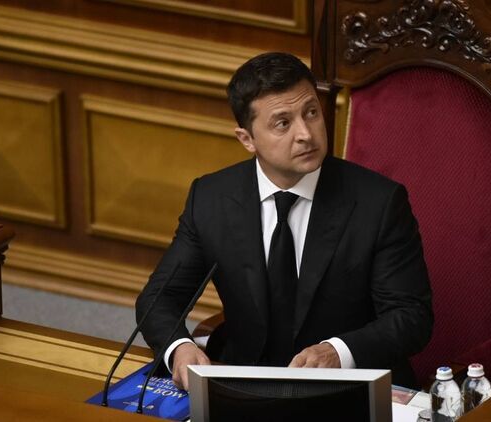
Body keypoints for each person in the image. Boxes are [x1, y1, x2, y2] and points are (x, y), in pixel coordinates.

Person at [136, 52, 432, 390]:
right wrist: (179, 348)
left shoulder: (378, 202)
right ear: (247, 139)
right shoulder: (211, 198)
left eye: (311, 113)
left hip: (348, 389)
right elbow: (159, 299)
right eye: (282, 123)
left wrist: (338, 352)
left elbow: (411, 317)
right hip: (246, 391)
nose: (306, 133)